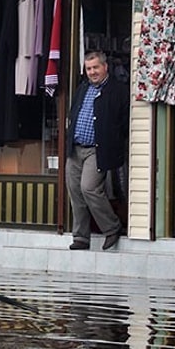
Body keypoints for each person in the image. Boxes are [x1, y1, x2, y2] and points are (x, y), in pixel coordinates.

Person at [65, 51, 129, 251]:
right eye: (88, 68)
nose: (92, 72)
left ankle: (112, 227)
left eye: (95, 67)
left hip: (96, 150)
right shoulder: (82, 88)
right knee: (75, 192)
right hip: (75, 149)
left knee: (89, 188)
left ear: (105, 67)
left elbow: (124, 124)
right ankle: (81, 238)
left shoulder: (119, 91)